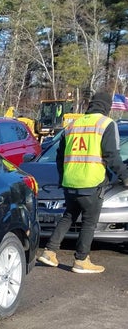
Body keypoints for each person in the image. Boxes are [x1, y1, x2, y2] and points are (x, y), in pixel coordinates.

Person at [37, 90, 128, 274]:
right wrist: (124, 176)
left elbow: (60, 157)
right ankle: (81, 260)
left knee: (69, 216)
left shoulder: (73, 125)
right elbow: (111, 155)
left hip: (70, 181)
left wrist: (63, 177)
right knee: (89, 222)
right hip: (92, 182)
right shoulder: (106, 124)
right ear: (107, 107)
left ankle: (49, 251)